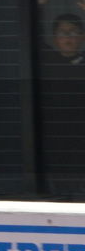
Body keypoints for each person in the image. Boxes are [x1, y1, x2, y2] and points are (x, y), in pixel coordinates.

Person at [39, 13, 85, 197]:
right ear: (55, 38)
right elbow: (33, 39)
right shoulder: (48, 61)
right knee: (57, 192)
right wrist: (39, 7)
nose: (68, 37)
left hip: (81, 141)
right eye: (62, 32)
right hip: (54, 141)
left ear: (82, 37)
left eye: (73, 32)